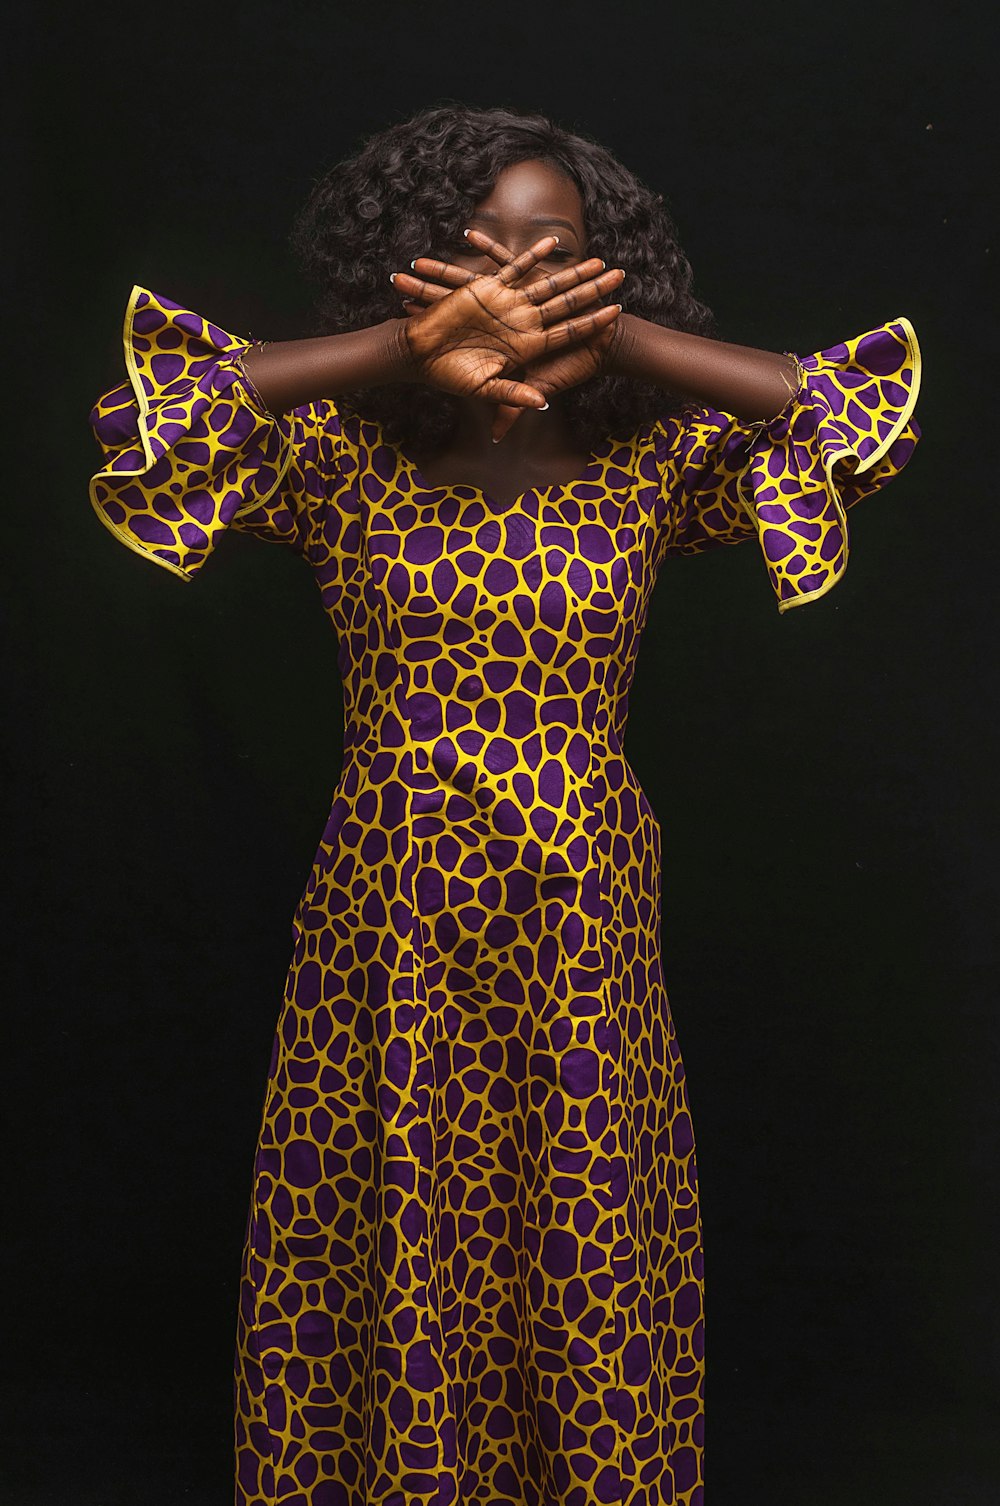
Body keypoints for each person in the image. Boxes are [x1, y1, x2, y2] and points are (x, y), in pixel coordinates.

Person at [87, 103, 921, 1506]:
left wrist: (632, 341)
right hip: (389, 905)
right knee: (394, 1218)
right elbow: (149, 424)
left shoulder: (654, 464)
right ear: (414, 262)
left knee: (580, 1229)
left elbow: (856, 423)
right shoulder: (337, 453)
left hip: (582, 900)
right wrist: (398, 352)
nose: (521, 275)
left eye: (561, 252)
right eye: (483, 248)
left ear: (612, 266)